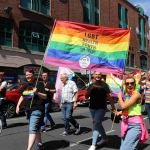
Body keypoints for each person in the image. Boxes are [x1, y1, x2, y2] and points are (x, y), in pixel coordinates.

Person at [16, 69, 47, 150]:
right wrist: (18, 106)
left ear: (33, 75)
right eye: (26, 75)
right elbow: (22, 96)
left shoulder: (39, 84)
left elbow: (45, 96)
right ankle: (40, 144)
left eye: (29, 75)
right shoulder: (25, 85)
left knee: (32, 129)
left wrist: (37, 92)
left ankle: (28, 149)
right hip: (28, 110)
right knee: (36, 128)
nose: (28, 76)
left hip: (37, 109)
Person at [86, 71, 116, 150]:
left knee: (96, 123)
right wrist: (89, 89)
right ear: (93, 75)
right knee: (98, 124)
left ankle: (93, 144)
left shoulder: (104, 85)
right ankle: (105, 139)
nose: (98, 75)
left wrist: (113, 107)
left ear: (101, 75)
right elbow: (86, 97)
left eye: (99, 74)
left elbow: (109, 97)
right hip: (92, 107)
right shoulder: (91, 85)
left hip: (101, 108)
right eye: (96, 74)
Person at [117, 76, 148, 150]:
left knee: (124, 148)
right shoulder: (127, 96)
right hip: (125, 123)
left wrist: (119, 97)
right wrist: (120, 112)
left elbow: (124, 105)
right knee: (128, 147)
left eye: (132, 83)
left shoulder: (136, 95)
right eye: (127, 83)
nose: (129, 85)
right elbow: (129, 109)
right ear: (125, 85)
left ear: (135, 84)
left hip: (135, 125)